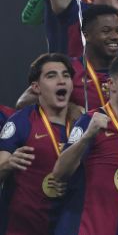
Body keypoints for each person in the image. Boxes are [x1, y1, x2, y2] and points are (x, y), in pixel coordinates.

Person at [52, 54, 118, 234]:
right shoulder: (90, 121)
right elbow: (59, 172)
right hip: (82, 229)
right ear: (111, 84)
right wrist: (88, 136)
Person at [0, 54, 74, 235]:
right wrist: (8, 164)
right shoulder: (21, 122)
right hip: (20, 228)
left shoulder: (82, 125)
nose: (61, 81)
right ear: (36, 87)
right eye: (52, 76)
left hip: (66, 226)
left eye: (66, 75)